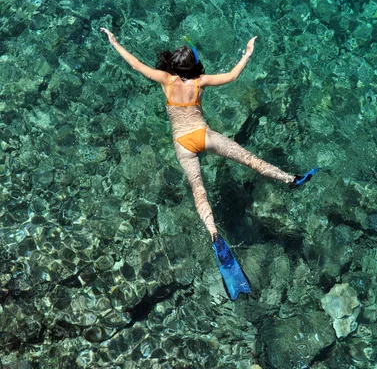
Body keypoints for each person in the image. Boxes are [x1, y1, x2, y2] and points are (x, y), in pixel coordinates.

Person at [100, 28, 319, 300]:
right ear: (194, 66)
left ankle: (214, 233)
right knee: (248, 159)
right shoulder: (200, 82)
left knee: (197, 188)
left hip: (183, 144)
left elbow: (134, 63)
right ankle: (289, 179)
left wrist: (114, 41)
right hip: (204, 135)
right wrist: (247, 52)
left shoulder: (165, 80)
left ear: (171, 66)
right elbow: (233, 75)